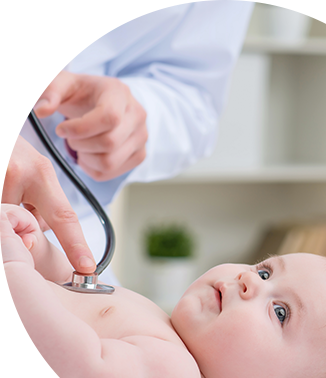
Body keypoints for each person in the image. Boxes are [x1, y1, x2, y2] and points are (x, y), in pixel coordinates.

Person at [0, 203, 326, 378]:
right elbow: (70, 293)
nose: (248, 281)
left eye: (280, 312)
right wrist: (35, 247)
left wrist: (14, 270)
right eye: (264, 271)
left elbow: (73, 372)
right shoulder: (161, 322)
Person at [0, 0, 256, 282]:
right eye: (264, 273)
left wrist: (132, 117)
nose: (249, 284)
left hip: (54, 229)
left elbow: (194, 96)